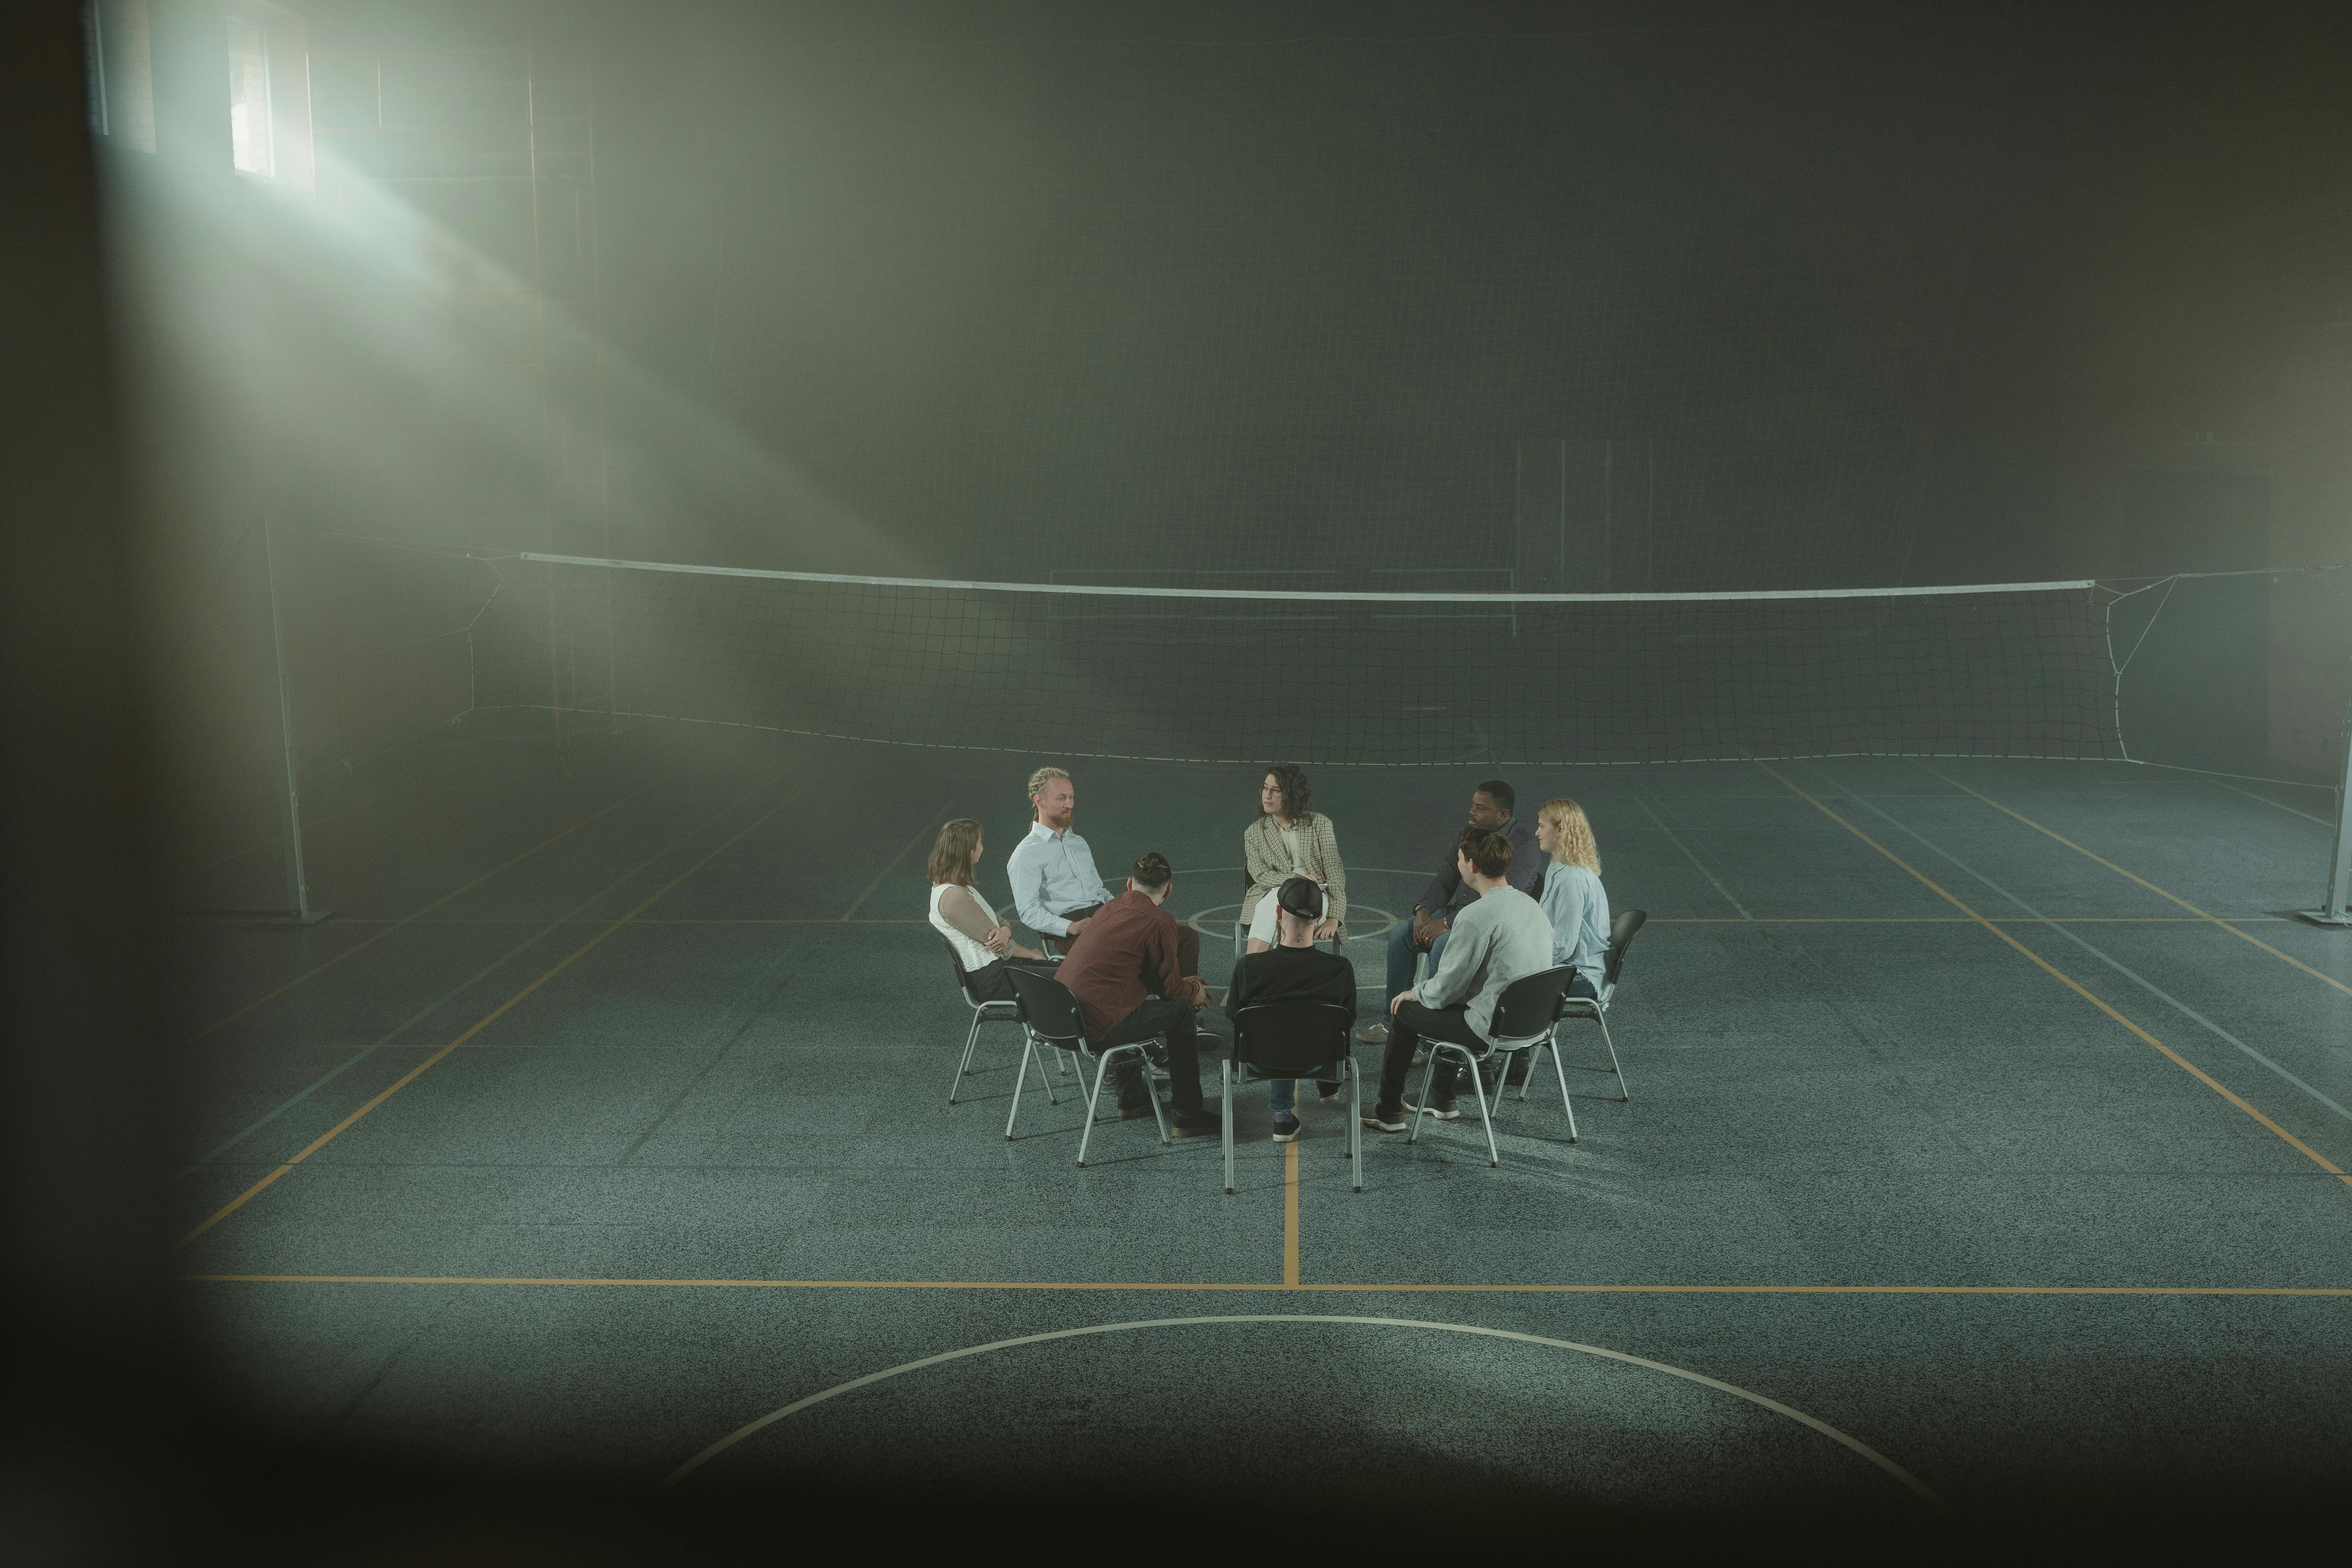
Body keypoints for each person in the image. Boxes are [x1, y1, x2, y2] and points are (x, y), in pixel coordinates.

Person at [1360, 826, 1553, 1132]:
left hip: (1492, 1028)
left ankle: (1387, 1110)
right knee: (1458, 1003)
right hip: (1535, 1026)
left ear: (1472, 866)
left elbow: (1443, 991)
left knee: (1407, 1012)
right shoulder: (1532, 907)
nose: (1459, 863)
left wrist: (1414, 992)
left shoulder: (1476, 915)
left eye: (1461, 859)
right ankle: (1441, 1096)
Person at [1356, 779, 1541, 1045]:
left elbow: (1501, 899)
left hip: (1490, 922)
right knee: (1400, 935)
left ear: (1503, 815)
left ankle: (1430, 1038)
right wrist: (1423, 912)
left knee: (1443, 944)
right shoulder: (1467, 835)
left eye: (1480, 808)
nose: (1472, 812)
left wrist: (1446, 922)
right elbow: (1445, 880)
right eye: (1472, 806)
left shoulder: (1523, 845)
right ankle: (1392, 1022)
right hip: (1459, 911)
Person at [1057, 851, 1220, 1133]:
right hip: (1096, 1025)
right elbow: (1170, 990)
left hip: (1059, 1015)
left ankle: (1131, 1099)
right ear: (1168, 890)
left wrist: (1182, 984)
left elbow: (1142, 971)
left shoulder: (1108, 909)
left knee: (1124, 999)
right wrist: (1192, 990)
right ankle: (1188, 1114)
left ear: (1129, 884)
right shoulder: (1159, 921)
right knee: (1180, 1013)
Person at [1008, 765, 1202, 980]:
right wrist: (1072, 927)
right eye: (1061, 798)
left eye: (1072, 798)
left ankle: (1183, 1005)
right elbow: (1028, 911)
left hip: (1106, 915)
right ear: (1039, 801)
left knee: (1185, 938)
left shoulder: (1078, 843)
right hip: (1073, 929)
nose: (1070, 804)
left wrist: (1125, 907)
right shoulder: (1027, 853)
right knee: (1135, 951)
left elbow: (1098, 890)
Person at [1225, 876, 1357, 1143]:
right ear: (1320, 918)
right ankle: (1328, 1085)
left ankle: (1282, 1117)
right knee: (1308, 1026)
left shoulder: (1249, 968)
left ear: (1277, 912)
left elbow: (1234, 1015)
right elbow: (1348, 1020)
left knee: (1277, 1028)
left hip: (1259, 1062)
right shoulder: (1340, 970)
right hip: (1321, 1062)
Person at [926, 817, 1054, 1003]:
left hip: (1000, 967)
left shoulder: (959, 888)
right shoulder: (954, 899)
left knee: (1068, 972)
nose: (982, 847)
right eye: (979, 843)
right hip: (993, 978)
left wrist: (1006, 930)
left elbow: (997, 921)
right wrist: (1032, 954)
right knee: (1067, 980)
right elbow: (1000, 945)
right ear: (968, 850)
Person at [1241, 764, 1345, 953]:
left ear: (1291, 795)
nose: (1267, 795)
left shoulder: (1320, 825)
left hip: (1315, 899)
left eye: (1275, 791)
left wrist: (1334, 918)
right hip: (1271, 895)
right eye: (1265, 788)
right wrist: (1298, 880)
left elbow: (1335, 873)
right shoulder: (1253, 833)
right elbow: (1261, 875)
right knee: (1277, 898)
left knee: (1277, 904)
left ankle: (1252, 965)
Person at [1536, 797, 1610, 1002]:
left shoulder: (1572, 880)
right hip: (1564, 965)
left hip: (1580, 974)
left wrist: (1525, 959)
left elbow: (1563, 946)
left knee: (1502, 980)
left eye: (1542, 826)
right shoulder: (1557, 867)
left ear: (1560, 829)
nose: (1537, 833)